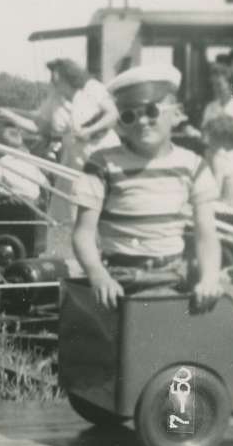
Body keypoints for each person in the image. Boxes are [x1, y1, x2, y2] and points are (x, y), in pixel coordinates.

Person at [71, 64, 222, 311]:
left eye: (152, 111)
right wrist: (98, 275)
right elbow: (83, 234)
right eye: (129, 115)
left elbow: (206, 234)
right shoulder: (102, 164)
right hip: (121, 277)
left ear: (176, 113)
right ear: (119, 124)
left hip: (174, 273)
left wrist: (210, 278)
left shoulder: (193, 165)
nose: (142, 121)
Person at [46, 58, 119, 170]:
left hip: (102, 149)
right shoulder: (56, 98)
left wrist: (90, 130)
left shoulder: (92, 87)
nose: (52, 78)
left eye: (56, 73)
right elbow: (41, 122)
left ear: (68, 74)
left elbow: (113, 114)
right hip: (74, 156)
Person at [202, 114, 233, 217]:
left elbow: (213, 193)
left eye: (210, 136)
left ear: (220, 138)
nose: (206, 141)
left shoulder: (220, 157)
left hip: (230, 213)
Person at [200, 62, 233, 128]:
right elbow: (205, 132)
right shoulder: (210, 108)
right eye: (214, 85)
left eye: (219, 85)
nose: (215, 89)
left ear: (230, 85)